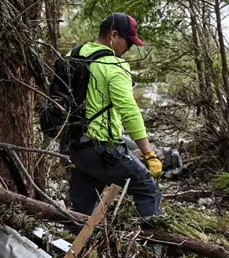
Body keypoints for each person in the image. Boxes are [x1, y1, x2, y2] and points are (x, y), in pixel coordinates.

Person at [66, 12, 163, 218]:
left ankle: (72, 248)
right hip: (102, 147)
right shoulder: (114, 65)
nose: (129, 49)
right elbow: (129, 111)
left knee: (80, 211)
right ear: (114, 35)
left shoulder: (73, 54)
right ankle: (153, 248)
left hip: (75, 147)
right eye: (128, 42)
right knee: (148, 189)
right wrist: (148, 154)